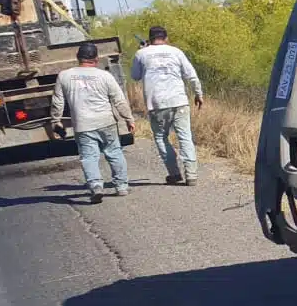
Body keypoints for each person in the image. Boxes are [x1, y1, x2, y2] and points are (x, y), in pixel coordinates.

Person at [50, 42, 137, 204]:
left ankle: (96, 186)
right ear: (96, 59)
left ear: (78, 58)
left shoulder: (64, 76)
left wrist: (56, 121)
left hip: (83, 125)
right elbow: (119, 101)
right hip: (106, 122)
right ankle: (121, 186)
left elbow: (57, 102)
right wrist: (129, 119)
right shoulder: (105, 76)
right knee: (114, 152)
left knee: (89, 157)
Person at [131, 25, 204, 185]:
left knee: (160, 137)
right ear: (166, 38)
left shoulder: (141, 53)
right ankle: (191, 175)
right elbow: (191, 75)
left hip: (156, 103)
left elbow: (135, 76)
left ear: (150, 39)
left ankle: (174, 172)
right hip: (179, 101)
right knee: (185, 137)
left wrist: (141, 53)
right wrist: (198, 94)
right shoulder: (176, 52)